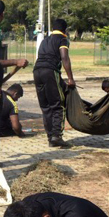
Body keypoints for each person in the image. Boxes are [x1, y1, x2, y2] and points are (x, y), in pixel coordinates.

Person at [34, 18, 76, 148]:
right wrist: (70, 79)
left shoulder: (45, 40)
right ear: (65, 30)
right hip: (50, 71)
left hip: (37, 72)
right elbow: (64, 57)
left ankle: (50, 137)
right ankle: (57, 136)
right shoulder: (62, 39)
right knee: (58, 104)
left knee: (46, 106)